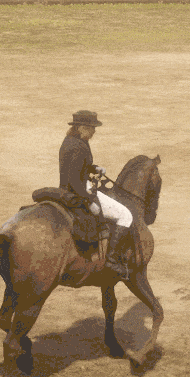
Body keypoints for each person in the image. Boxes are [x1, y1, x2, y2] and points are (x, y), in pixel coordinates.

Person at [59, 110, 133, 276]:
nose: (94, 131)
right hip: (78, 189)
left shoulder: (72, 140)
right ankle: (112, 261)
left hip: (71, 187)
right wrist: (89, 200)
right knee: (125, 215)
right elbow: (74, 180)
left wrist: (94, 168)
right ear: (83, 127)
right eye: (92, 128)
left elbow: (78, 167)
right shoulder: (77, 147)